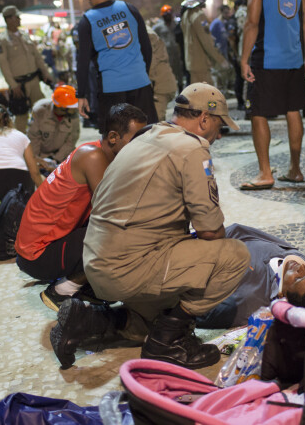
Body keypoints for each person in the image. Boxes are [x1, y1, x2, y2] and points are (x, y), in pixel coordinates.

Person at [50, 83, 248, 370]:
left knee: (149, 324)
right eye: (219, 126)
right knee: (234, 255)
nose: (218, 135)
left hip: (96, 264)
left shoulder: (146, 137)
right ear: (204, 119)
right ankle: (167, 344)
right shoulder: (192, 148)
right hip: (128, 267)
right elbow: (210, 230)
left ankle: (85, 321)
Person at [15, 103, 147, 311]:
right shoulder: (93, 156)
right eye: (136, 139)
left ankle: (88, 283)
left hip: (45, 244)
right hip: (37, 255)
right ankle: (62, 290)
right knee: (122, 233)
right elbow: (114, 212)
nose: (143, 146)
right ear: (113, 137)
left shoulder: (102, 153)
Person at [240, 0, 305, 189]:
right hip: (293, 60)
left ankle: (265, 173)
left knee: (259, 113)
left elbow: (252, 23)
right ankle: (295, 169)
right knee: (293, 111)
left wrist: (243, 60)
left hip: (267, 59)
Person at [196, 223, 305, 329]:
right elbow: (241, 231)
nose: (301, 268)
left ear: (284, 297)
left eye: (298, 278)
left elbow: (200, 313)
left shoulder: (249, 300)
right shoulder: (300, 262)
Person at [76, 0, 157, 133]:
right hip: (140, 81)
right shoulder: (129, 8)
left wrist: (81, 94)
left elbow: (83, 61)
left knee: (116, 138)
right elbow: (146, 47)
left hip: (111, 88)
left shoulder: (87, 21)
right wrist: (143, 73)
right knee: (148, 133)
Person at [0, 5, 53, 133]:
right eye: (16, 17)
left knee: (42, 109)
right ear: (8, 19)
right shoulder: (2, 39)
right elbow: (3, 64)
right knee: (21, 115)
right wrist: (12, 85)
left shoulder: (24, 35)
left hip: (33, 81)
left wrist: (45, 73)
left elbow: (37, 57)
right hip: (18, 84)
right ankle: (21, 147)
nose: (19, 19)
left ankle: (44, 139)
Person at [181, 0, 229, 84]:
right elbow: (207, 42)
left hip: (191, 62)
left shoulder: (186, 14)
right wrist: (221, 60)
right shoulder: (198, 15)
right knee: (209, 97)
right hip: (201, 64)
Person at [27, 85, 80, 173]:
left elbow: (71, 141)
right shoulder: (40, 111)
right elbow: (33, 137)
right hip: (41, 156)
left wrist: (55, 160)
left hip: (63, 156)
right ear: (61, 107)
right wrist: (36, 160)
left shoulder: (73, 115)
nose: (74, 110)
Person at [146, 26, 177, 121]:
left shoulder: (148, 35)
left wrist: (149, 86)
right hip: (160, 83)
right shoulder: (146, 31)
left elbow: (152, 62)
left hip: (159, 85)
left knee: (157, 121)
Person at [153, 5, 184, 93]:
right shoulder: (158, 27)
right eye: (166, 15)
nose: (168, 16)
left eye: (169, 14)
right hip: (166, 53)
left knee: (179, 70)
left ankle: (181, 87)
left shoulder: (176, 24)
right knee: (169, 71)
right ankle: (171, 89)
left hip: (176, 51)